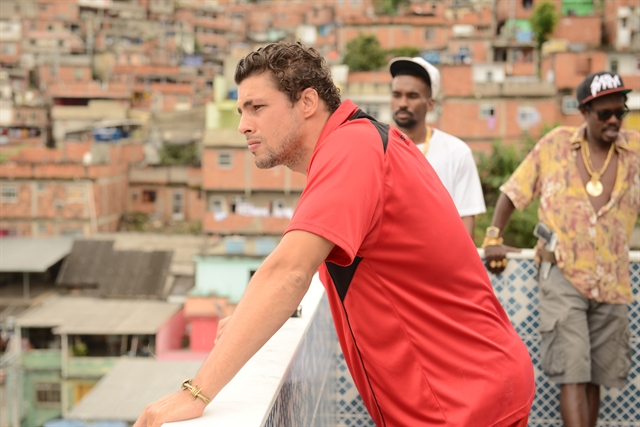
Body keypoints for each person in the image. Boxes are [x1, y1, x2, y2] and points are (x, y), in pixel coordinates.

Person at [135, 42, 534, 427]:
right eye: (241, 110)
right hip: (477, 385)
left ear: (307, 102)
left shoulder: (352, 148)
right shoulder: (362, 138)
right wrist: (245, 317)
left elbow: (289, 272)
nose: (243, 125)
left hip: (462, 402)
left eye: (257, 107)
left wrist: (196, 392)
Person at [483, 71, 639, 427]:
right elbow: (513, 191)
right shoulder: (555, 145)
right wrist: (493, 237)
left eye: (620, 112)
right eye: (604, 114)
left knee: (595, 376)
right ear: (584, 111)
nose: (614, 120)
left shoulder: (634, 151)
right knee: (573, 373)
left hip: (612, 281)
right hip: (563, 275)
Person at [389, 56, 486, 239]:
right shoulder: (374, 148)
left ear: (430, 104)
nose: (402, 103)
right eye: (396, 95)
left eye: (412, 96)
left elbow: (466, 221)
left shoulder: (457, 152)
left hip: (438, 256)